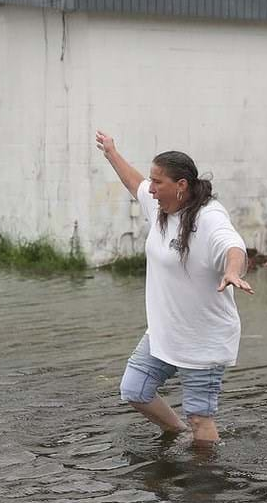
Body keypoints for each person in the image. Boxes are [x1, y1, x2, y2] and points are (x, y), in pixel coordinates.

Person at [95, 130, 253, 445]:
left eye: (158, 182)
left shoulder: (208, 217)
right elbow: (133, 183)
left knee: (200, 418)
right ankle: (178, 434)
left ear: (181, 186)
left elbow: (232, 245)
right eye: (151, 181)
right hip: (165, 332)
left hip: (201, 339)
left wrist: (233, 271)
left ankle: (204, 483)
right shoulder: (160, 208)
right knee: (135, 390)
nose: (150, 189)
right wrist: (111, 152)